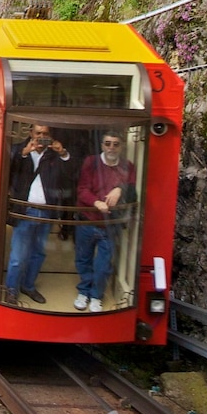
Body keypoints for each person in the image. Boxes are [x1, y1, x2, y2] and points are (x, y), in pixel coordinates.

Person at [5, 124, 73, 304]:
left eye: (45, 134)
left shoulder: (54, 154)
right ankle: (11, 289)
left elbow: (70, 176)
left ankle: (28, 286)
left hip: (46, 212)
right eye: (38, 134)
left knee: (38, 254)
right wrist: (25, 153)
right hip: (25, 211)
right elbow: (7, 173)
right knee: (18, 256)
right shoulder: (19, 150)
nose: (41, 137)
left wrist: (63, 154)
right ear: (30, 134)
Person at [73, 131, 136, 312]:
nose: (111, 148)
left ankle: (96, 296)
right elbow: (82, 189)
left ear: (121, 146)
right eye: (108, 143)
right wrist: (97, 202)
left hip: (111, 224)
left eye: (116, 144)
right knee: (83, 259)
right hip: (87, 221)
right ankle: (83, 292)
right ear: (102, 145)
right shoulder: (91, 162)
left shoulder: (128, 166)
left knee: (103, 265)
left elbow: (132, 190)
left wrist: (119, 189)